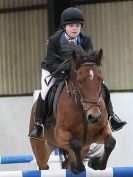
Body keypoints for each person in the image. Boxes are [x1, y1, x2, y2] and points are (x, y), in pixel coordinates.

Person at [28, 7, 127, 140]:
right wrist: (65, 69)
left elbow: (90, 59)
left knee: (102, 85)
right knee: (45, 92)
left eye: (77, 25)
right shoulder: (54, 40)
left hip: (78, 71)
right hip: (53, 69)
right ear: (64, 27)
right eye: (71, 25)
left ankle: (112, 117)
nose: (74, 28)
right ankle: (38, 124)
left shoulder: (85, 40)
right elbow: (51, 62)